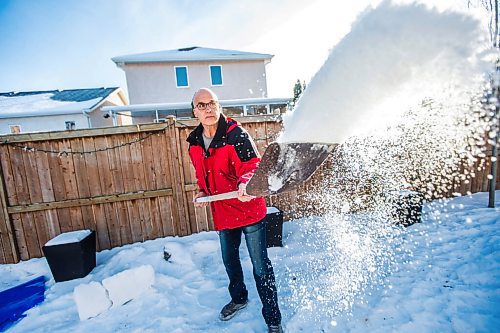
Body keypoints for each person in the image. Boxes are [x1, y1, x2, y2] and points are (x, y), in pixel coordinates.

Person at [187, 88, 283, 333]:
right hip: (223, 212)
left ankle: (273, 320)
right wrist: (202, 192)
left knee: (260, 266)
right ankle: (239, 298)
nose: (208, 109)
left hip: (249, 209)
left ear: (219, 106)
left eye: (212, 103)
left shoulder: (236, 134)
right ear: (194, 111)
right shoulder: (194, 143)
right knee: (230, 262)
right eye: (201, 105)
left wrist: (246, 182)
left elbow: (253, 164)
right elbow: (204, 176)